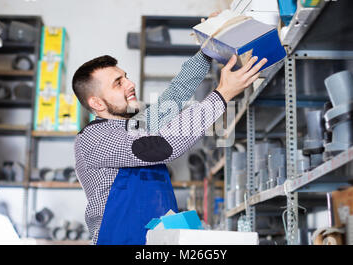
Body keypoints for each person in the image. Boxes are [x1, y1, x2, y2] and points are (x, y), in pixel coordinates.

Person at [72, 28, 267, 244]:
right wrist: (222, 94)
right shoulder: (93, 139)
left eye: (126, 77)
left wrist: (209, 47)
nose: (130, 84)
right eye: (118, 83)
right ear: (97, 103)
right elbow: (159, 147)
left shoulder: (136, 127)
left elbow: (177, 92)